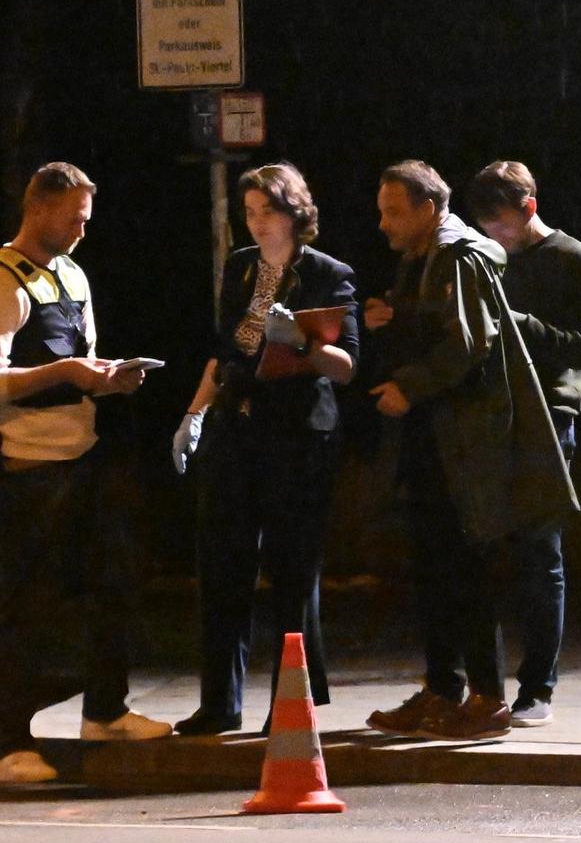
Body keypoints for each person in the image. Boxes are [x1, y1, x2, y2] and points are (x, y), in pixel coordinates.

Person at [363, 160, 577, 740]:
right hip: (433, 434)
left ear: (430, 208)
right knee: (434, 566)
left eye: (394, 211)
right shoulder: (422, 258)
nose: (383, 224)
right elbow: (438, 328)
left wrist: (411, 386)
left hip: (459, 438)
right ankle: (442, 689)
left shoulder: (459, 256)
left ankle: (486, 698)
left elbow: (470, 342)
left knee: (464, 566)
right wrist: (394, 319)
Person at [170, 163, 360, 735]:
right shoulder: (241, 267)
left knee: (292, 571)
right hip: (237, 426)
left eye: (268, 211)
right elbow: (224, 352)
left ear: (295, 212)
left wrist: (300, 341)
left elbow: (346, 366)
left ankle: (291, 705)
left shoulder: (327, 273)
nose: (257, 223)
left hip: (298, 436)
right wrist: (193, 415)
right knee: (221, 562)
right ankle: (219, 702)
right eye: (249, 212)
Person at [0, 163, 169, 783]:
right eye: (74, 218)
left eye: (86, 220)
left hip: (85, 454)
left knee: (115, 582)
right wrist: (66, 372)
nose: (81, 231)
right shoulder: (5, 278)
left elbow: (84, 358)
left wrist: (108, 378)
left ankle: (105, 711)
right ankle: (8, 742)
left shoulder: (72, 274)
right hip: (29, 467)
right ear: (39, 208)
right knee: (27, 608)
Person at [464, 161, 581, 725]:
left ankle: (538, 689)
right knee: (481, 550)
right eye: (486, 226)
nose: (495, 234)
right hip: (492, 416)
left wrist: (519, 322)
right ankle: (482, 688)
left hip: (548, 416)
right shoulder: (487, 259)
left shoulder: (573, 258)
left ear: (529, 208)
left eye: (502, 223)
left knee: (539, 555)